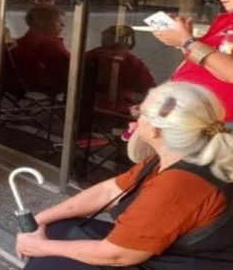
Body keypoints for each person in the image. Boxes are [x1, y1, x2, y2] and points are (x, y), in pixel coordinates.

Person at [17, 82, 233, 269]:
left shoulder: (180, 183)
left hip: (185, 263)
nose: (133, 119)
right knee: (58, 228)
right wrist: (39, 220)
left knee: (50, 262)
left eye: (139, 112)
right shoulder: (178, 155)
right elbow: (108, 191)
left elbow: (119, 255)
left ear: (155, 130)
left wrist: (40, 246)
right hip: (169, 252)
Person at [153, 0, 233, 122]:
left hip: (216, 126)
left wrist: (187, 41)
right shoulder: (225, 19)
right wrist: (184, 39)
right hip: (184, 116)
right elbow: (206, 62)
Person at [10, 5, 70, 96]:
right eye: (58, 21)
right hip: (44, 86)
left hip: (24, 86)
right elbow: (72, 64)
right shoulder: (49, 43)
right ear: (45, 22)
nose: (63, 25)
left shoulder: (23, 41)